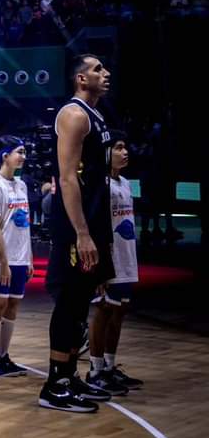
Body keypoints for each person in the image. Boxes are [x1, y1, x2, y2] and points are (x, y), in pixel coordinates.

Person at [39, 55, 117, 413]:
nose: (106, 73)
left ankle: (70, 375)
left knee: (81, 304)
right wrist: (82, 233)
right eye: (98, 69)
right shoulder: (73, 114)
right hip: (75, 226)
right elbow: (68, 178)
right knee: (69, 303)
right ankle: (54, 384)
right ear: (81, 79)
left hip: (94, 222)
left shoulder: (95, 114)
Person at [87, 131, 144, 394]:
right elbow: (95, 224)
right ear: (107, 152)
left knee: (119, 312)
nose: (125, 152)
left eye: (125, 147)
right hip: (108, 259)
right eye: (119, 147)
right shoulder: (100, 184)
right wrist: (98, 266)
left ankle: (109, 367)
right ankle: (95, 370)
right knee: (103, 311)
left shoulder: (125, 183)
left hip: (126, 256)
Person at [0, 137, 32, 377]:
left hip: (20, 256)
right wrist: (3, 262)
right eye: (19, 152)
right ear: (5, 156)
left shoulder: (21, 185)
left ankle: (3, 356)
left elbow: (25, 224)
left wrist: (28, 257)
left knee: (13, 304)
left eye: (24, 152)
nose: (23, 157)